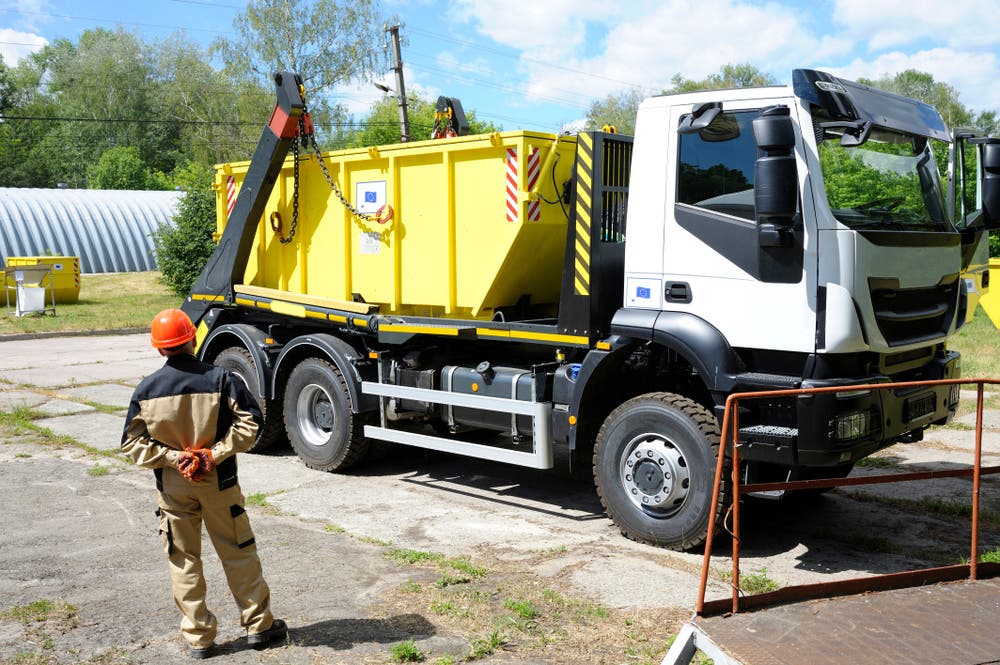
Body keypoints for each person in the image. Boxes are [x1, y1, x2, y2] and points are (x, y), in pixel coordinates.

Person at [122, 308, 287, 659]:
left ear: (158, 348)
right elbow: (250, 426)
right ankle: (259, 626)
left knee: (183, 561)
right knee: (238, 553)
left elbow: (132, 444)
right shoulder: (222, 380)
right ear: (193, 339)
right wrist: (211, 456)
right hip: (219, 483)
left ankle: (199, 638)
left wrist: (173, 459)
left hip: (173, 487)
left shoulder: (146, 389)